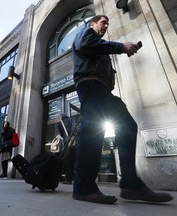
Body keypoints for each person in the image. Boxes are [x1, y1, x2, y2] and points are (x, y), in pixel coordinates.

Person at [72, 15, 173, 204]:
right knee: (93, 132)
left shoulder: (98, 43)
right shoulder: (85, 32)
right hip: (90, 84)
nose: (106, 26)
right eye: (103, 22)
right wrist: (120, 46)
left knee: (125, 125)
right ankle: (84, 187)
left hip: (99, 87)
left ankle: (129, 183)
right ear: (92, 23)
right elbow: (85, 45)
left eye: (108, 24)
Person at [58, 113, 77, 185]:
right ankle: (78, 178)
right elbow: (77, 128)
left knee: (68, 161)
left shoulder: (60, 123)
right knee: (76, 160)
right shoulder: (73, 119)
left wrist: (66, 138)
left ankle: (68, 179)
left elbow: (61, 134)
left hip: (67, 142)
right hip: (74, 141)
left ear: (61, 117)